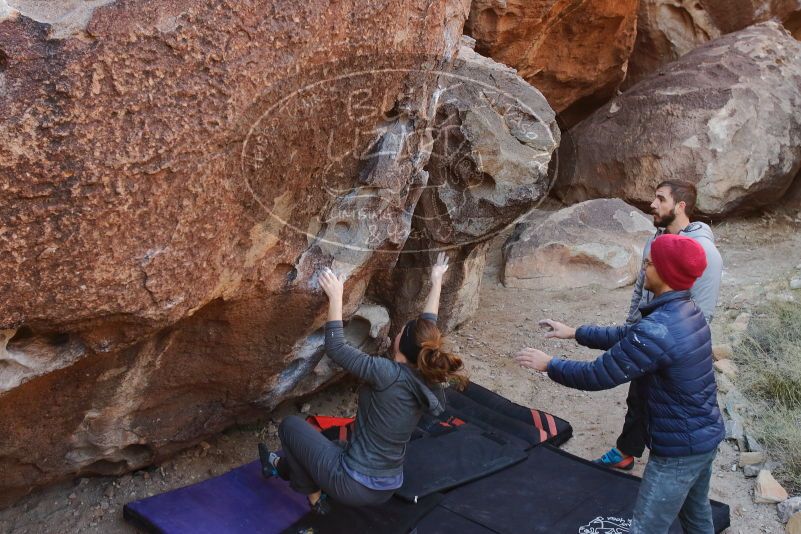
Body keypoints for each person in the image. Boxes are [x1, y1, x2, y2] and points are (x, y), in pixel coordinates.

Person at [515, 234, 725, 534]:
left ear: (666, 272)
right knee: (696, 514)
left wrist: (550, 364)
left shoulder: (660, 328)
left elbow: (598, 375)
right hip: (704, 437)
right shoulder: (686, 312)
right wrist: (575, 332)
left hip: (679, 450)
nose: (644, 270)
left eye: (650, 264)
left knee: (646, 527)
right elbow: (628, 338)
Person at [258, 252, 467, 514]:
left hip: (353, 483)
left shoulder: (386, 372)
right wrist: (436, 281)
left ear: (403, 345)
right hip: (387, 485)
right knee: (328, 447)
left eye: (402, 331)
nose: (398, 330)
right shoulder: (429, 378)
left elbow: (336, 348)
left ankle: (315, 500)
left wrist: (336, 298)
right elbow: (428, 331)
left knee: (291, 426)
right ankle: (277, 466)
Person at [597, 180, 723, 470]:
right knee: (638, 395)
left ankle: (671, 466)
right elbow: (641, 289)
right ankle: (626, 451)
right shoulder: (656, 240)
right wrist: (632, 326)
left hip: (676, 342)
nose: (652, 204)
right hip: (649, 332)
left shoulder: (704, 252)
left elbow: (702, 309)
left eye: (660, 199)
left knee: (669, 405)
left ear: (680, 206)